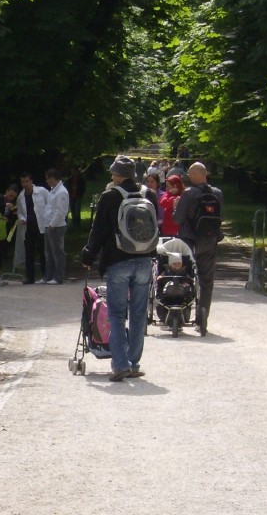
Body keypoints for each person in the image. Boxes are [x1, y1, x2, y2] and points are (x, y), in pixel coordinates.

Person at [80, 156, 158, 381]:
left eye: (113, 173)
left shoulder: (110, 196)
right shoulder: (148, 195)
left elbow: (99, 231)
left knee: (115, 313)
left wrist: (88, 255)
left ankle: (120, 364)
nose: (111, 176)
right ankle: (134, 364)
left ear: (118, 174)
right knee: (138, 314)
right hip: (144, 259)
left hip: (117, 261)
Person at [173, 162, 223, 331]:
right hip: (210, 242)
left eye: (189, 173)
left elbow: (178, 219)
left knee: (183, 277)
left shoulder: (188, 194)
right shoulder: (217, 193)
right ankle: (202, 320)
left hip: (189, 242)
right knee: (206, 281)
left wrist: (175, 207)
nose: (188, 176)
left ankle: (179, 316)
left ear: (195, 174)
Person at [16, 172, 49, 284]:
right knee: (29, 252)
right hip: (28, 227)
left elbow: (49, 205)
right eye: (22, 182)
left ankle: (45, 275)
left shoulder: (42, 191)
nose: (25, 184)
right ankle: (30, 277)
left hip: (41, 226)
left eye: (27, 181)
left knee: (42, 251)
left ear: (31, 181)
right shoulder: (21, 196)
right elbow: (19, 212)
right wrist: (21, 218)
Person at [42, 169, 69, 285]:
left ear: (53, 178)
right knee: (49, 253)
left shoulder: (61, 192)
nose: (47, 181)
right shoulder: (53, 191)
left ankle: (58, 277)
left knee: (57, 253)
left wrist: (52, 224)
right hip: (49, 225)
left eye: (48, 178)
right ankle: (48, 276)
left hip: (56, 226)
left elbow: (61, 211)